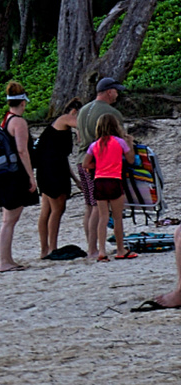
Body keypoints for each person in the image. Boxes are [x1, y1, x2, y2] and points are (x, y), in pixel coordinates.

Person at [0, 82, 39, 272]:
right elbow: (22, 151)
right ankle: (5, 261)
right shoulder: (18, 122)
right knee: (10, 220)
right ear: (23, 102)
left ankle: (6, 259)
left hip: (6, 175)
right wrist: (31, 176)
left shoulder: (6, 120)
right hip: (16, 175)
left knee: (8, 220)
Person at [77, 77, 125, 253]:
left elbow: (79, 137)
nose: (117, 94)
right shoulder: (111, 113)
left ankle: (92, 247)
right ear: (109, 92)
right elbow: (119, 138)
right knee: (98, 207)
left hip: (81, 160)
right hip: (99, 164)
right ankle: (93, 249)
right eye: (116, 91)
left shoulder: (83, 110)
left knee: (89, 206)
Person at [81, 112, 135, 261]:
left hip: (99, 181)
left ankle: (102, 251)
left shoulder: (95, 144)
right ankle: (120, 249)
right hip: (114, 180)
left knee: (103, 217)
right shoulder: (119, 142)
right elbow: (131, 160)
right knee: (117, 218)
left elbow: (85, 163)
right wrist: (130, 142)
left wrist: (97, 165)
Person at [34, 99, 81, 257]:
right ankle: (52, 248)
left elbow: (63, 158)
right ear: (74, 111)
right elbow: (81, 124)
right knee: (58, 209)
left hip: (47, 169)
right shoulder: (64, 119)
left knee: (46, 210)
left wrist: (75, 180)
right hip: (53, 171)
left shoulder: (56, 130)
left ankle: (44, 249)